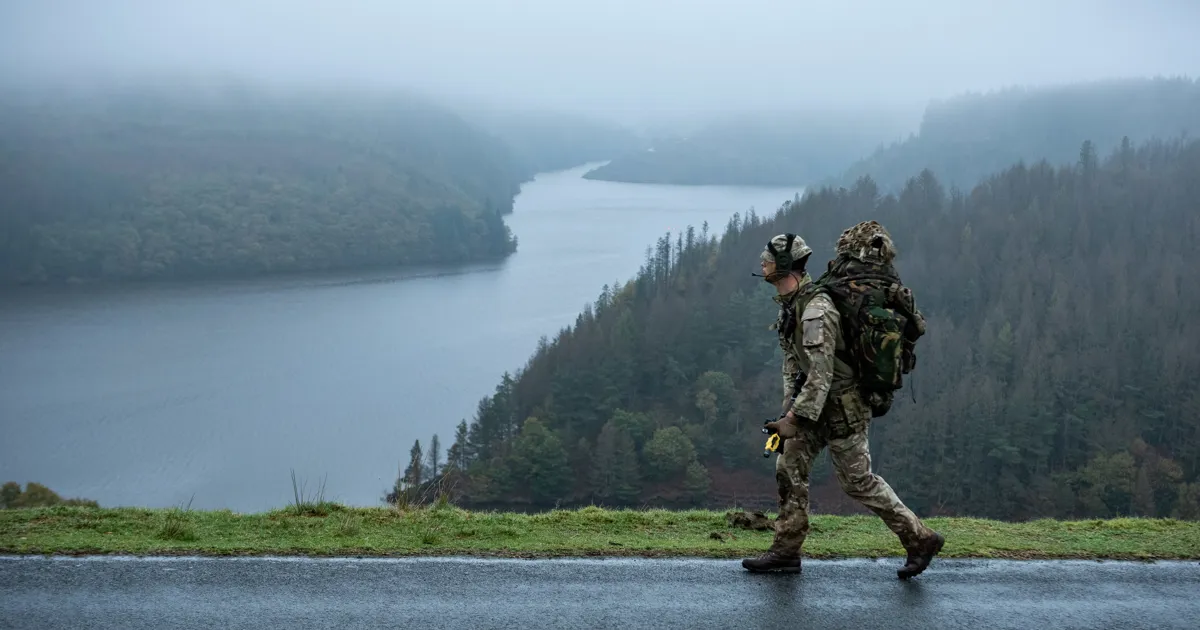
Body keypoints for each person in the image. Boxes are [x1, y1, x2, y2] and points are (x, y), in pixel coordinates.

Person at [741, 230, 944, 578]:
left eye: (769, 259)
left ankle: (921, 539)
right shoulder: (793, 306)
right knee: (789, 465)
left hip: (842, 408)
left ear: (786, 265)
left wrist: (794, 417)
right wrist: (788, 410)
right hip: (813, 406)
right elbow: (794, 362)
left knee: (858, 482)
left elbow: (820, 373)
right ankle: (786, 551)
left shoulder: (816, 310)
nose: (762, 263)